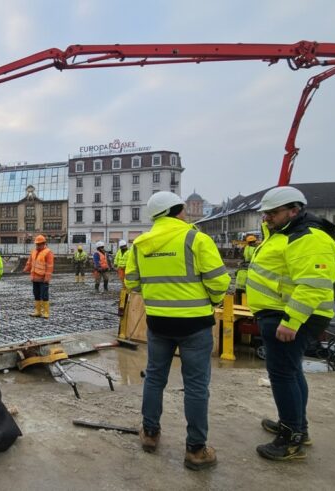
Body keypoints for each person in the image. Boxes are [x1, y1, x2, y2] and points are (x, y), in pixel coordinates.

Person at [124, 191, 230, 471]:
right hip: (195, 323)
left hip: (159, 322)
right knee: (196, 386)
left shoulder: (141, 244)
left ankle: (150, 433)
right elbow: (219, 281)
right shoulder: (196, 239)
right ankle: (196, 449)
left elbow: (132, 283)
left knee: (154, 378)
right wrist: (211, 300)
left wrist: (157, 294)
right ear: (179, 210)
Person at [246, 186, 335, 461]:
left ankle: (291, 438)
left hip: (290, 316)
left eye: (273, 213)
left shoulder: (308, 238)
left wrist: (291, 321)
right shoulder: (285, 233)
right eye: (265, 214)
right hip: (280, 312)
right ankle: (297, 426)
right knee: (292, 371)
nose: (266, 218)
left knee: (282, 375)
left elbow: (313, 284)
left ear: (294, 211)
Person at [25, 235, 54, 319]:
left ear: (44, 243)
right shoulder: (33, 252)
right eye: (36, 244)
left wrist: (47, 278)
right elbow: (29, 262)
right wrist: (26, 269)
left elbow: (49, 267)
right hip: (35, 278)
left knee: (44, 295)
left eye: (39, 244)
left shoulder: (48, 252)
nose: (37, 245)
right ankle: (38, 312)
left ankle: (46, 312)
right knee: (36, 295)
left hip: (43, 279)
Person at [234, 235, 259, 304]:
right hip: (250, 267)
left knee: (239, 294)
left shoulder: (245, 248)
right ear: (255, 241)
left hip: (239, 285)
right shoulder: (256, 249)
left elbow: (242, 257)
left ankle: (238, 304)